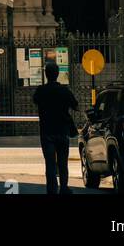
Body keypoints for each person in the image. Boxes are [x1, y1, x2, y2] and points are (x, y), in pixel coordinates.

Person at [32, 60, 79, 196]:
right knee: (63, 162)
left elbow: (35, 101)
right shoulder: (64, 90)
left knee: (50, 163)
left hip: (47, 131)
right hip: (62, 130)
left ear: (46, 75)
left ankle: (52, 189)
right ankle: (64, 187)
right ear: (57, 74)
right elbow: (75, 105)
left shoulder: (41, 90)